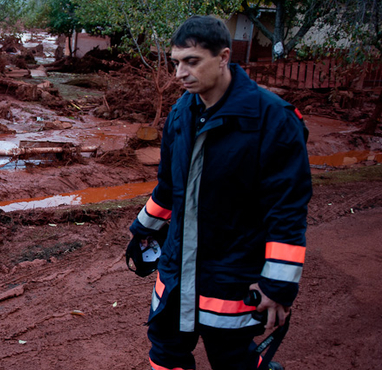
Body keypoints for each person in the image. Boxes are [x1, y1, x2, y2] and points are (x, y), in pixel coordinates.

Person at [126, 16, 312, 370]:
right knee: (164, 354)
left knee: (232, 361)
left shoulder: (273, 119)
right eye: (176, 62)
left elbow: (286, 210)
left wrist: (278, 285)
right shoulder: (181, 113)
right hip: (177, 274)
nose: (180, 73)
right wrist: (143, 230)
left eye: (192, 61)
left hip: (230, 276)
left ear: (224, 56)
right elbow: (169, 187)